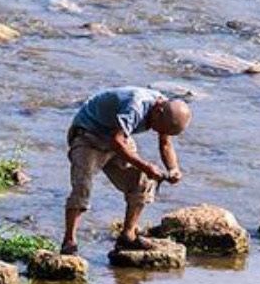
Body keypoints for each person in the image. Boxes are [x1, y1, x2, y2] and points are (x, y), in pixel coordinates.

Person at [61, 87, 191, 255]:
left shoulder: (165, 110)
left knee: (143, 181)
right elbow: (117, 143)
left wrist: (173, 169)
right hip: (89, 135)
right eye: (159, 128)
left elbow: (165, 143)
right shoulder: (136, 105)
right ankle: (69, 241)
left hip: (117, 135)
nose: (159, 132)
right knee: (82, 187)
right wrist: (147, 166)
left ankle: (128, 235)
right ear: (158, 111)